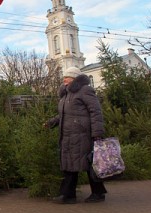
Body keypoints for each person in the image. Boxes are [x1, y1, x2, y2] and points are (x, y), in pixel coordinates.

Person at [45, 66, 107, 204]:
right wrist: (52, 122)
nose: (64, 80)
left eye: (66, 77)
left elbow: (96, 112)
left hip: (83, 135)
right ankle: (72, 195)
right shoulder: (66, 95)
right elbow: (64, 115)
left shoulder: (85, 91)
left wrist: (97, 133)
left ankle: (76, 195)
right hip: (68, 135)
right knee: (71, 164)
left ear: (74, 78)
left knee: (89, 163)